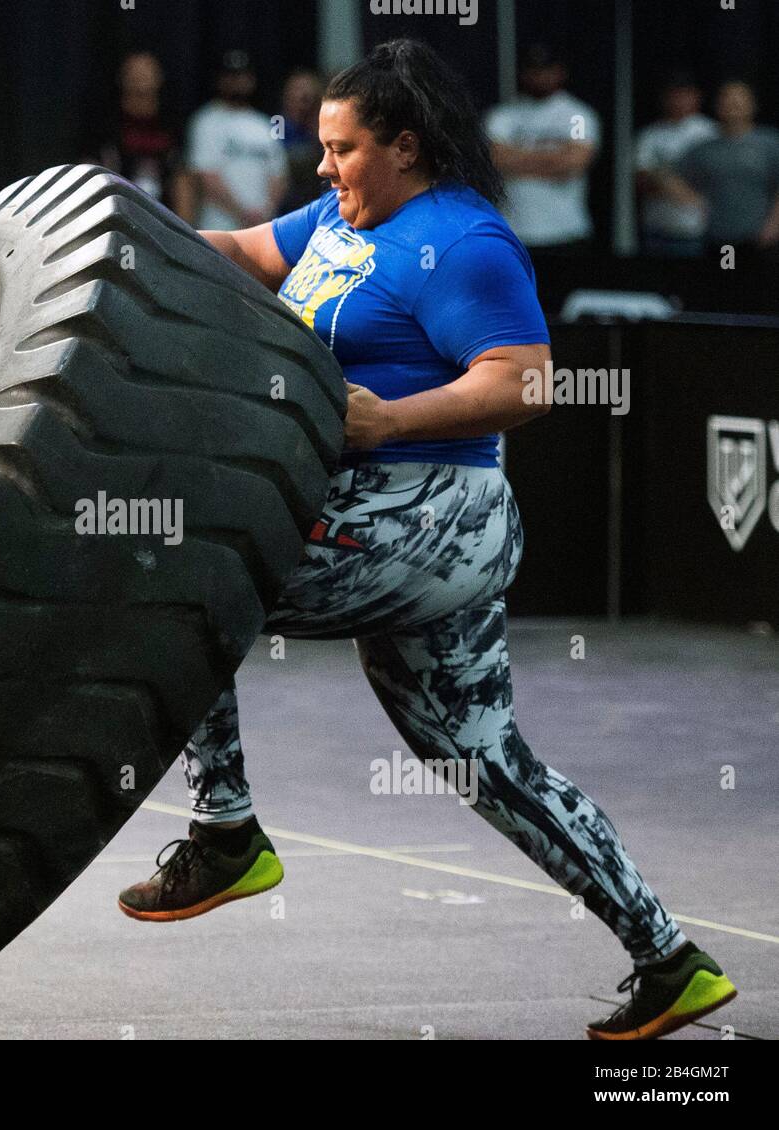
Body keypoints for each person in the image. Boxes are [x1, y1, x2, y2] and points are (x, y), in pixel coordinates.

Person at [117, 39, 737, 1041]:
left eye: (342, 148)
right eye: (321, 147)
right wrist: (125, 228)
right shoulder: (338, 216)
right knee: (484, 763)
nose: (323, 168)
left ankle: (225, 827)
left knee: (192, 567)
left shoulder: (465, 241)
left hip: (435, 515)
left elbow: (527, 380)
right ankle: (669, 958)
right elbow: (242, 252)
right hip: (390, 528)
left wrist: (391, 420)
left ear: (405, 146)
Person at [485, 44, 600, 251]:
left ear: (560, 72)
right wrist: (554, 157)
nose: (540, 76)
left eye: (546, 69)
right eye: (533, 69)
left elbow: (574, 163)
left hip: (565, 230)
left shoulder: (577, 116)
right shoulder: (503, 116)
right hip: (513, 231)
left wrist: (515, 160)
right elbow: (495, 158)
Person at [186, 49, 288, 231]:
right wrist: (243, 213)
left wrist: (265, 211)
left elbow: (279, 175)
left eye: (242, 75)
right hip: (218, 228)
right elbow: (206, 177)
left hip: (262, 228)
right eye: (231, 76)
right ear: (220, 80)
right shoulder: (206, 120)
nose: (237, 82)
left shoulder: (267, 123)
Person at [673, 80, 779, 254]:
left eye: (738, 100)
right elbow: (670, 175)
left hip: (762, 236)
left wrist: (774, 224)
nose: (733, 105)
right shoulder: (704, 148)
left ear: (751, 105)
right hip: (720, 238)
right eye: (727, 101)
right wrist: (690, 199)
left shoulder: (770, 142)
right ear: (718, 106)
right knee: (724, 278)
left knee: (760, 280)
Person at [88, 52, 189, 217]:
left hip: (164, 215)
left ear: (159, 77)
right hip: (115, 210)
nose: (141, 77)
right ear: (123, 78)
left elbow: (182, 176)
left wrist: (186, 229)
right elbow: (91, 169)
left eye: (147, 72)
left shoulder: (171, 121)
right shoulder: (106, 121)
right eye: (134, 72)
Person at [635, 72, 718, 257]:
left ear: (697, 96)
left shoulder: (711, 132)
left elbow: (717, 180)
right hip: (657, 228)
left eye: (685, 94)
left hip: (700, 230)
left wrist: (663, 177)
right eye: (674, 95)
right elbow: (641, 181)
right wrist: (673, 186)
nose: (679, 100)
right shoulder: (650, 135)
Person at [277, 67, 327, 212]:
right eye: (297, 89)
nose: (303, 95)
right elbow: (276, 154)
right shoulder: (278, 121)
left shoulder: (320, 123)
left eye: (307, 90)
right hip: (286, 199)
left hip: (314, 197)